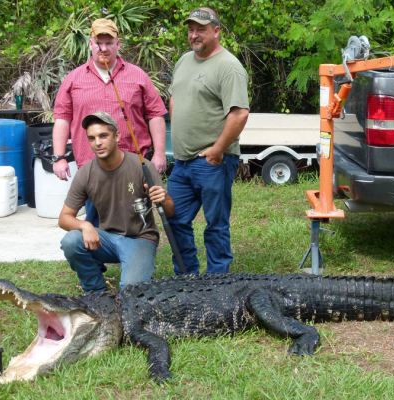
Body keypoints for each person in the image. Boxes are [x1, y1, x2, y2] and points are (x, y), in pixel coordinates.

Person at [52, 18, 168, 224]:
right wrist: (59, 157)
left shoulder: (138, 76)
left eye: (108, 43)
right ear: (90, 44)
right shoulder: (73, 79)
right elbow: (62, 118)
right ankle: (98, 251)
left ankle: (136, 251)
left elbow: (155, 114)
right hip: (92, 166)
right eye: (98, 43)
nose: (103, 48)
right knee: (95, 220)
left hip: (133, 165)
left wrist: (159, 153)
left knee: (136, 218)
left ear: (118, 44)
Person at [168, 7, 249, 275]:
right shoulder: (184, 61)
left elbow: (239, 113)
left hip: (212, 161)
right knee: (175, 219)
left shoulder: (229, 66)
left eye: (200, 29)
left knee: (215, 223)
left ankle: (217, 282)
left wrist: (218, 149)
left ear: (216, 31)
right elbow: (174, 98)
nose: (194, 35)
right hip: (181, 162)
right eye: (191, 29)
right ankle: (187, 277)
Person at [59, 112, 174, 293]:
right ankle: (96, 293)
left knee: (130, 292)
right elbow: (64, 218)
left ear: (117, 136)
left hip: (140, 238)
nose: (97, 142)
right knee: (71, 241)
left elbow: (170, 211)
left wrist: (164, 198)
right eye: (92, 138)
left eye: (103, 136)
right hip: (106, 239)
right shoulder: (86, 172)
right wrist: (85, 226)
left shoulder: (142, 166)